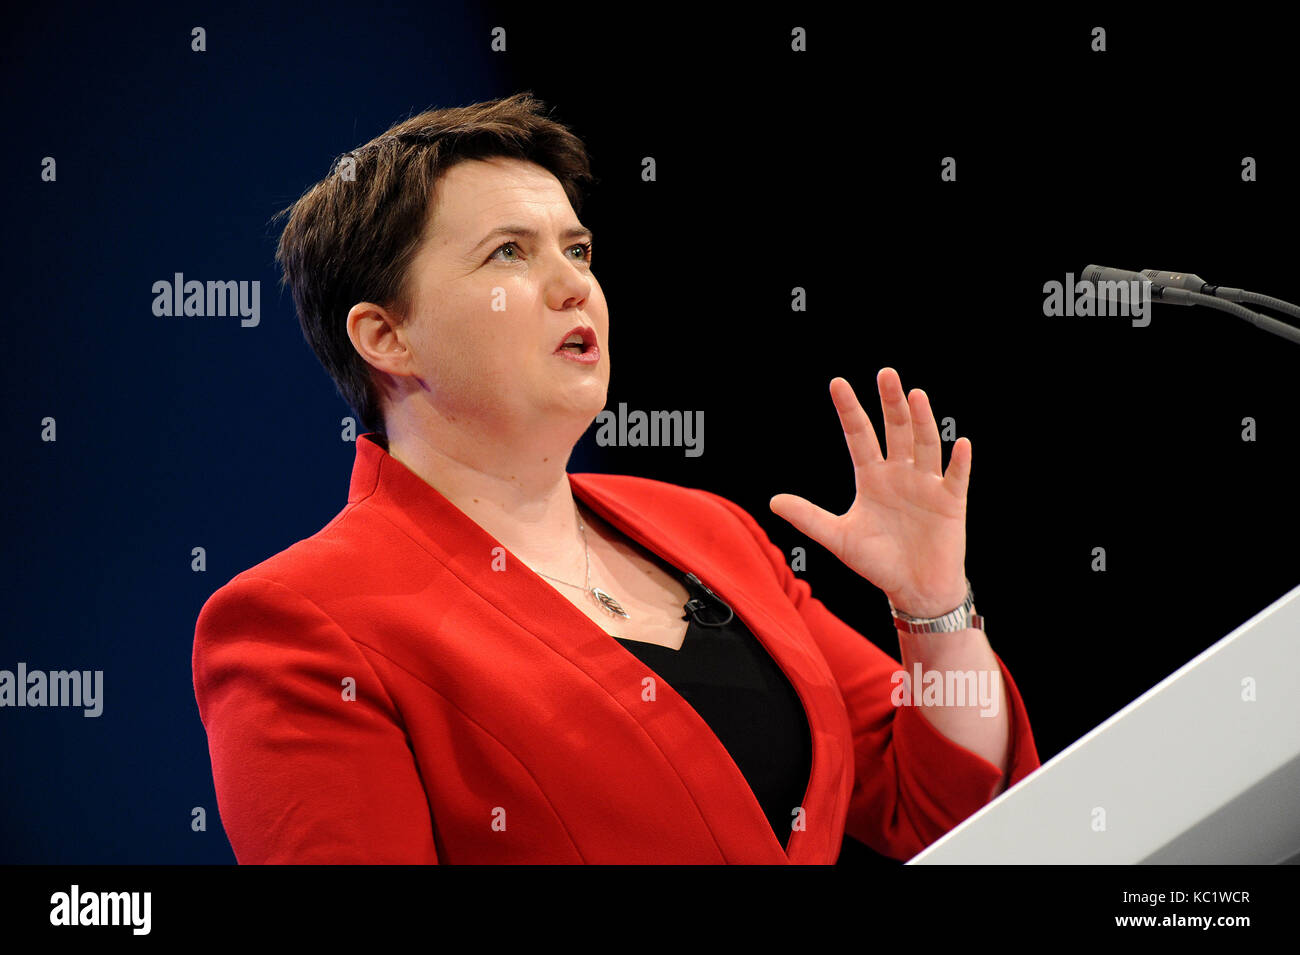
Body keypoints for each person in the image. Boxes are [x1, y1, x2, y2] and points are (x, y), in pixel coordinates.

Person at [191, 92, 1040, 864]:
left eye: (578, 248)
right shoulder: (300, 627)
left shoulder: (709, 530)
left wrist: (935, 603)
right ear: (386, 337)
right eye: (508, 255)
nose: (575, 287)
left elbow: (938, 805)